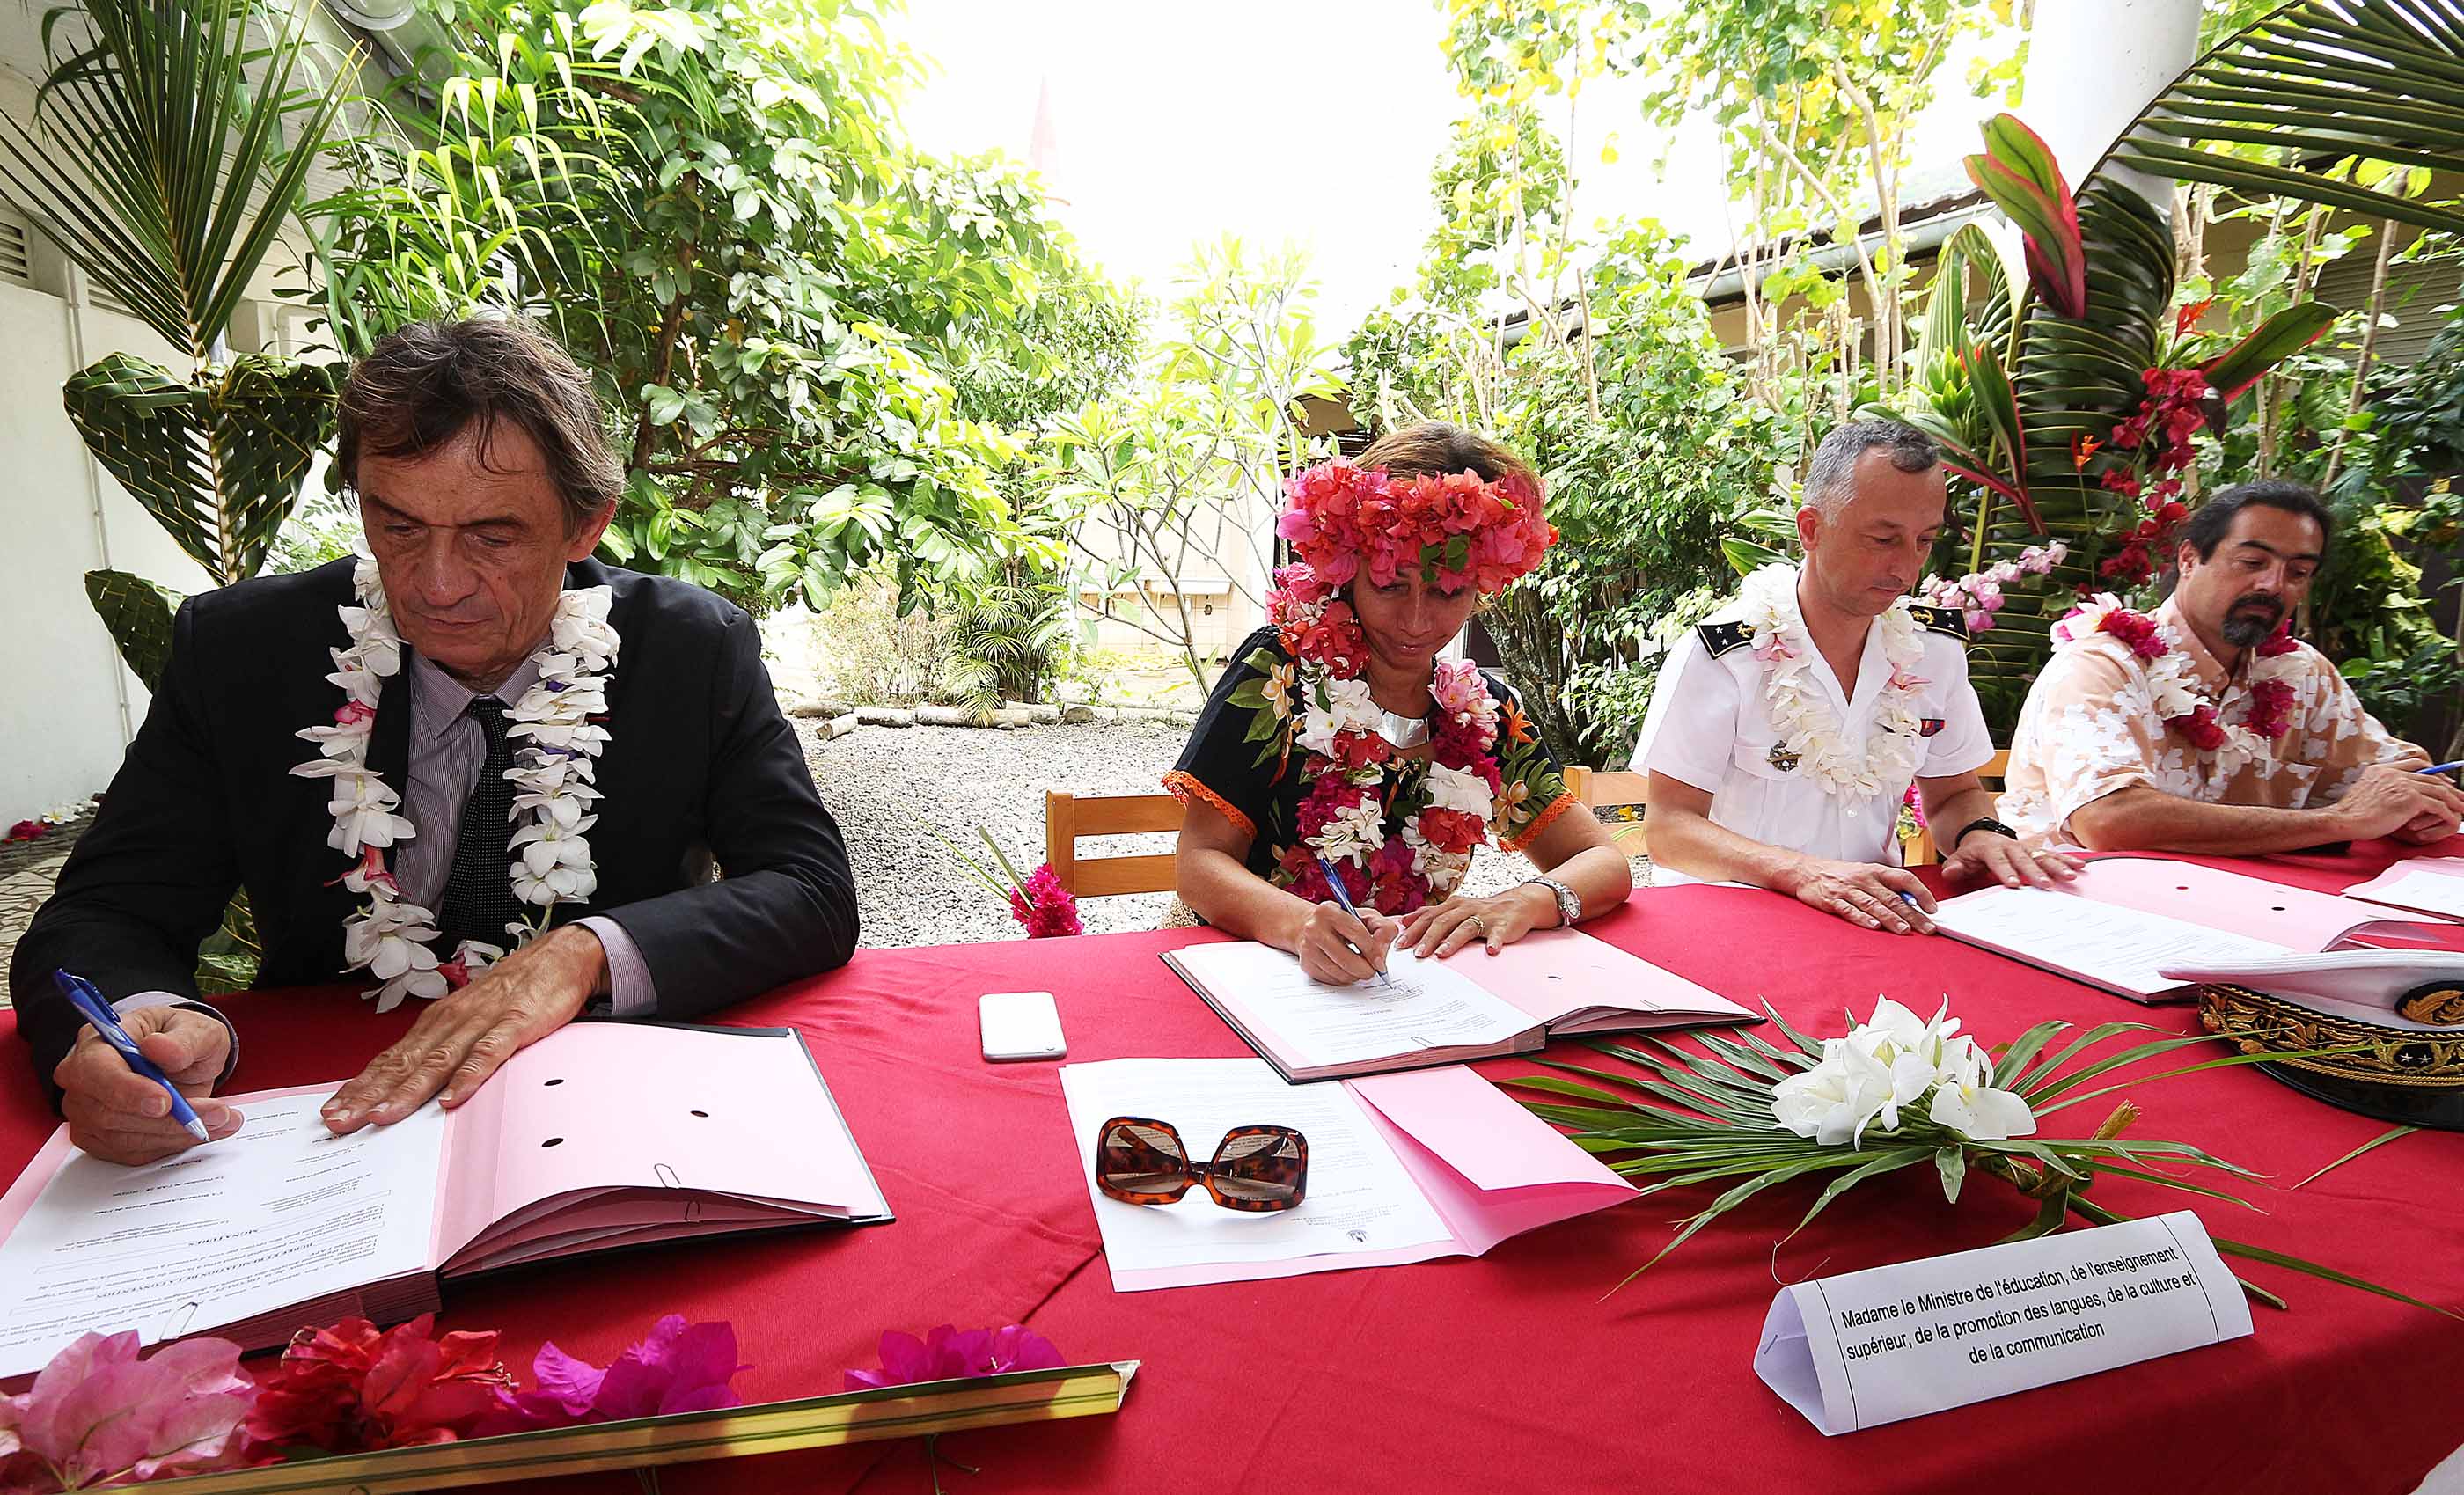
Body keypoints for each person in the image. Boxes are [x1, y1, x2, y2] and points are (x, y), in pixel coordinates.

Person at [12, 317, 860, 1164]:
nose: (438, 584)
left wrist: (580, 955)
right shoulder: (243, 653)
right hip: (321, 1127)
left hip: (601, 1119)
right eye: (399, 527)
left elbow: (808, 886)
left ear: (586, 525)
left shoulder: (689, 651)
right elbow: (105, 910)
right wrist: (138, 1028)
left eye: (493, 537)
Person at [1166, 423, 1631, 985]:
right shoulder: (1280, 673)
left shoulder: (1482, 714)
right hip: (1246, 974)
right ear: (1347, 569)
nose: (1416, 621)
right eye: (1390, 585)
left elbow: (1605, 864)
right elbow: (1199, 864)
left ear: (1483, 583)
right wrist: (1302, 926)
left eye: (1448, 592)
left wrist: (1525, 901)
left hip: (1406, 993)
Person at [1633, 419, 2079, 934]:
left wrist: (1979, 833)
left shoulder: (1932, 652)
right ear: (1811, 530)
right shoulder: (1725, 654)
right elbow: (1670, 830)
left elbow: (1954, 795)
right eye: (1883, 539)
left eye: (1924, 541)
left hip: (1876, 918)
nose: (1906, 569)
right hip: (1734, 924)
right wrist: (1803, 873)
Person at [2000, 479, 2463, 852]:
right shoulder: (2104, 664)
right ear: (2188, 559)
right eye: (2251, 562)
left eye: (2298, 573)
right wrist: (2338, 821)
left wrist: (2409, 808)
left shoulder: (2302, 672)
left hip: (2251, 909)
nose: (2272, 585)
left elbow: (2399, 771)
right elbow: (2108, 820)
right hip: (2079, 911)